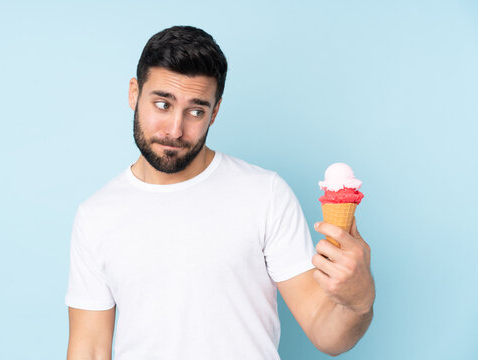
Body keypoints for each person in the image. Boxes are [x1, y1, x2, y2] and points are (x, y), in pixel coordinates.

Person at [65, 25, 375, 360]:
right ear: (133, 93)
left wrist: (358, 302)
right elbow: (90, 349)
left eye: (195, 111)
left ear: (214, 111)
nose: (175, 129)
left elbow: (328, 335)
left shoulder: (265, 194)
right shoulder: (96, 215)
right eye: (162, 104)